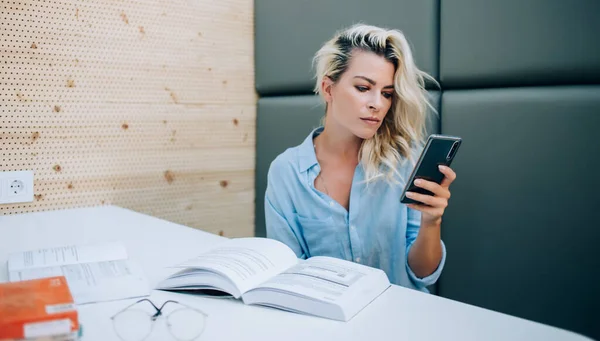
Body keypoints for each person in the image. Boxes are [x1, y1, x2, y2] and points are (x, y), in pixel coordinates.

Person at [263, 23, 457, 292]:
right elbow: (288, 276)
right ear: (329, 89)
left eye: (387, 93)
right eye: (363, 88)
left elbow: (422, 273)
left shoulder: (404, 161)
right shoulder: (286, 173)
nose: (377, 103)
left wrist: (432, 220)